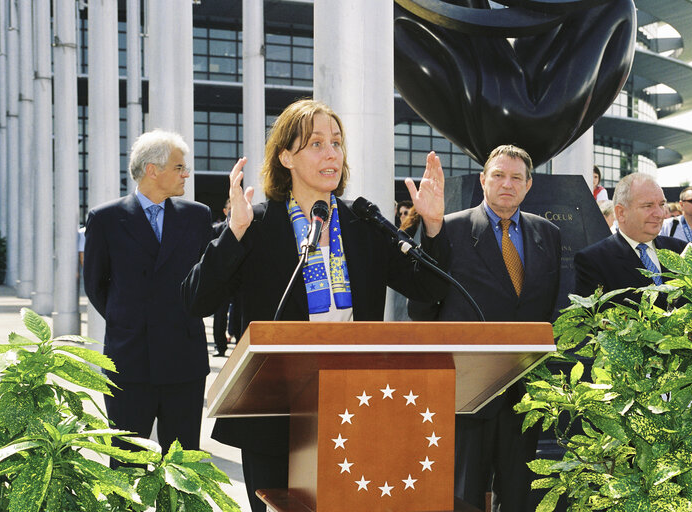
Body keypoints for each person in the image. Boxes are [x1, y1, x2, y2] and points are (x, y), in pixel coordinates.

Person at [180, 99, 451, 512]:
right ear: (285, 156)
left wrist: (432, 226)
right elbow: (196, 300)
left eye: (337, 143)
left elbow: (429, 287)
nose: (332, 153)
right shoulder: (253, 224)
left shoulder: (364, 224)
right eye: (317, 143)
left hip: (356, 406)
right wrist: (232, 235)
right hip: (274, 413)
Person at [409, 145, 561, 512]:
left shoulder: (548, 234)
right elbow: (420, 307)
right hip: (467, 394)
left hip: (526, 394)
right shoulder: (449, 229)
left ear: (528, 186)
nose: (506, 185)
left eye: (515, 178)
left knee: (519, 496)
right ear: (482, 180)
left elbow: (547, 308)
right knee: (463, 496)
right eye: (498, 175)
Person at [83, 129, 214, 465]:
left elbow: (207, 278)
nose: (186, 174)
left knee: (182, 470)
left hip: (183, 363)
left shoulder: (198, 216)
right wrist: (129, 320)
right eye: (180, 167)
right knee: (124, 467)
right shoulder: (106, 219)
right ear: (153, 170)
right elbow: (96, 286)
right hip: (128, 363)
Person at [574, 173, 686, 309]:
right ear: (621, 213)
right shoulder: (594, 261)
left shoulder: (681, 250)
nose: (659, 214)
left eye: (661, 204)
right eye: (648, 206)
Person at [212, 199, 232, 357]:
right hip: (222, 280)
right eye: (230, 209)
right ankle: (220, 346)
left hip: (242, 280)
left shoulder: (252, 227)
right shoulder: (216, 229)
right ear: (225, 211)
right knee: (219, 315)